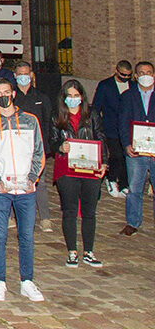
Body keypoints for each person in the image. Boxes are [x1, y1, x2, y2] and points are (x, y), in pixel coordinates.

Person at [0, 78, 45, 302]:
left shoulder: (30, 121)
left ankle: (27, 281)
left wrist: (32, 178)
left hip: (26, 190)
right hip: (1, 190)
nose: (3, 96)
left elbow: (38, 152)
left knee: (26, 236)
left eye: (6, 92)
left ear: (13, 94)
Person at [48, 80, 107, 267]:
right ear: (64, 98)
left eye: (76, 96)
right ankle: (72, 251)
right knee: (70, 210)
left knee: (90, 211)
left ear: (82, 96)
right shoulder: (57, 116)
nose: (73, 99)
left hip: (90, 167)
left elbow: (100, 137)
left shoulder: (92, 114)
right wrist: (60, 146)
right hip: (67, 169)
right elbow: (51, 141)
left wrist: (104, 162)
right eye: (69, 96)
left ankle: (88, 251)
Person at [12, 61, 54, 230]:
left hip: (37, 148)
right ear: (15, 76)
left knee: (40, 182)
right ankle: (11, 217)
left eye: (26, 73)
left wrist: (45, 147)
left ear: (31, 75)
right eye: (20, 74)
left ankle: (45, 218)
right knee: (14, 181)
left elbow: (47, 123)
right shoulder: (11, 98)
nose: (23, 77)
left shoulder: (41, 97)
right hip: (15, 147)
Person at [118, 61, 155, 236]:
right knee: (134, 188)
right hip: (135, 151)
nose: (145, 75)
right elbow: (123, 123)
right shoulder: (127, 96)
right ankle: (132, 222)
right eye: (142, 73)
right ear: (136, 76)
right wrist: (126, 144)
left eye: (149, 72)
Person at [92, 60, 132, 197]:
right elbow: (96, 107)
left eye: (128, 75)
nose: (126, 78)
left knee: (126, 156)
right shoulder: (105, 85)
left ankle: (125, 184)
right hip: (110, 127)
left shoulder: (132, 85)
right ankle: (111, 179)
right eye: (123, 75)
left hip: (128, 127)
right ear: (117, 71)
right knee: (116, 155)